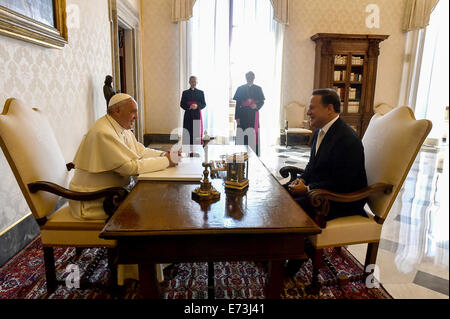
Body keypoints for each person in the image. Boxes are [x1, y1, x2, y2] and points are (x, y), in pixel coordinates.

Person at [69, 93, 178, 285]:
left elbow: (140, 151)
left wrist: (164, 154)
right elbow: (130, 168)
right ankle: (139, 272)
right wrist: (166, 162)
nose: (136, 116)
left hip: (113, 193)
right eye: (133, 112)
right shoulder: (102, 133)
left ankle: (159, 261)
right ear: (117, 110)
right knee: (146, 212)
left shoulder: (121, 128)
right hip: (94, 200)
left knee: (157, 202)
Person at [285, 88, 368, 276]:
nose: (308, 113)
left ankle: (292, 262)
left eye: (312, 108)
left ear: (329, 108)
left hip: (343, 200)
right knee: (281, 194)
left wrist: (307, 189)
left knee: (292, 208)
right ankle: (273, 249)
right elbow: (312, 165)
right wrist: (303, 180)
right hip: (322, 190)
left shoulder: (347, 139)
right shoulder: (321, 131)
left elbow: (343, 183)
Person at [233, 71, 265, 156]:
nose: (249, 79)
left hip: (253, 116)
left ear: (254, 78)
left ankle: (253, 154)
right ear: (245, 78)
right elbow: (237, 104)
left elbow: (262, 101)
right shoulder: (240, 88)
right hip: (242, 115)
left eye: (251, 77)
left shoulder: (258, 88)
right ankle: (240, 154)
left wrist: (256, 106)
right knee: (242, 135)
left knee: (253, 135)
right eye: (248, 77)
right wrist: (237, 117)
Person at [180, 76, 206, 148]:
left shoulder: (201, 92)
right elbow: (182, 104)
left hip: (197, 115)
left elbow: (204, 104)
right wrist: (189, 107)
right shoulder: (185, 93)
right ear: (189, 82)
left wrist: (197, 106)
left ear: (197, 82)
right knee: (187, 132)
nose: (193, 83)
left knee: (196, 133)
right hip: (188, 115)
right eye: (192, 81)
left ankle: (196, 150)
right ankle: (186, 149)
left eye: (195, 81)